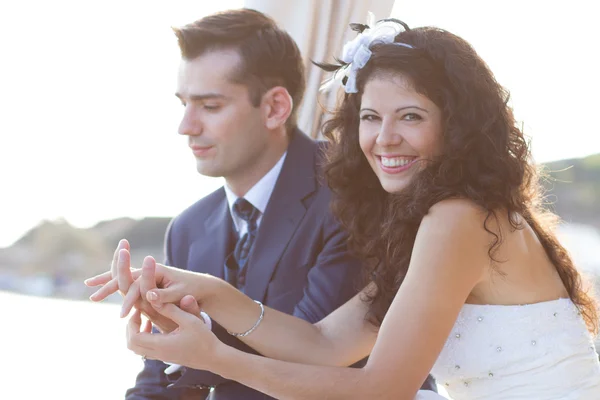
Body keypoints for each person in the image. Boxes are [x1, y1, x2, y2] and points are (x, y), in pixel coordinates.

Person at [91, 18, 600, 399]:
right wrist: (204, 290)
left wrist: (218, 358)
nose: (384, 138)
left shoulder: (459, 219)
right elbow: (323, 342)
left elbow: (382, 389)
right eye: (372, 117)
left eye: (411, 116)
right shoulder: (440, 221)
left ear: (458, 126)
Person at [84, 9, 438, 400]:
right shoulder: (187, 227)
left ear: (275, 108)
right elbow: (160, 382)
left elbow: (313, 355)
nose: (186, 126)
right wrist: (168, 338)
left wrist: (199, 331)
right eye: (184, 103)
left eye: (210, 106)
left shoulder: (356, 189)